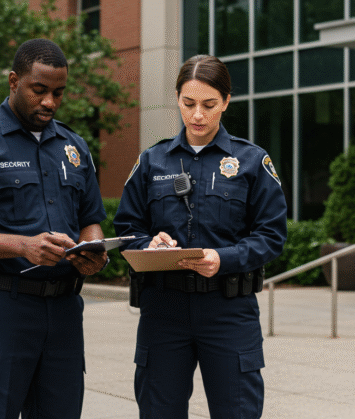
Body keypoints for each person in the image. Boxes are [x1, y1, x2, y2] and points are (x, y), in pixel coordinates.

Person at [0, 38, 108, 419]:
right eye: (39, 90)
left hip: (63, 312)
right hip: (3, 308)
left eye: (59, 93)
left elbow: (91, 219)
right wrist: (23, 246)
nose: (50, 102)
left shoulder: (74, 147)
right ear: (14, 81)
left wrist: (92, 250)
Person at [113, 54, 288, 418]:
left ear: (226, 101)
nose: (197, 116)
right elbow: (127, 229)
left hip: (228, 310)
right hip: (163, 310)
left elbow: (272, 235)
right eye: (188, 103)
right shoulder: (152, 161)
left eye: (209, 105)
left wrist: (223, 259)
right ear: (177, 97)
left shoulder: (251, 161)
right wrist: (149, 244)